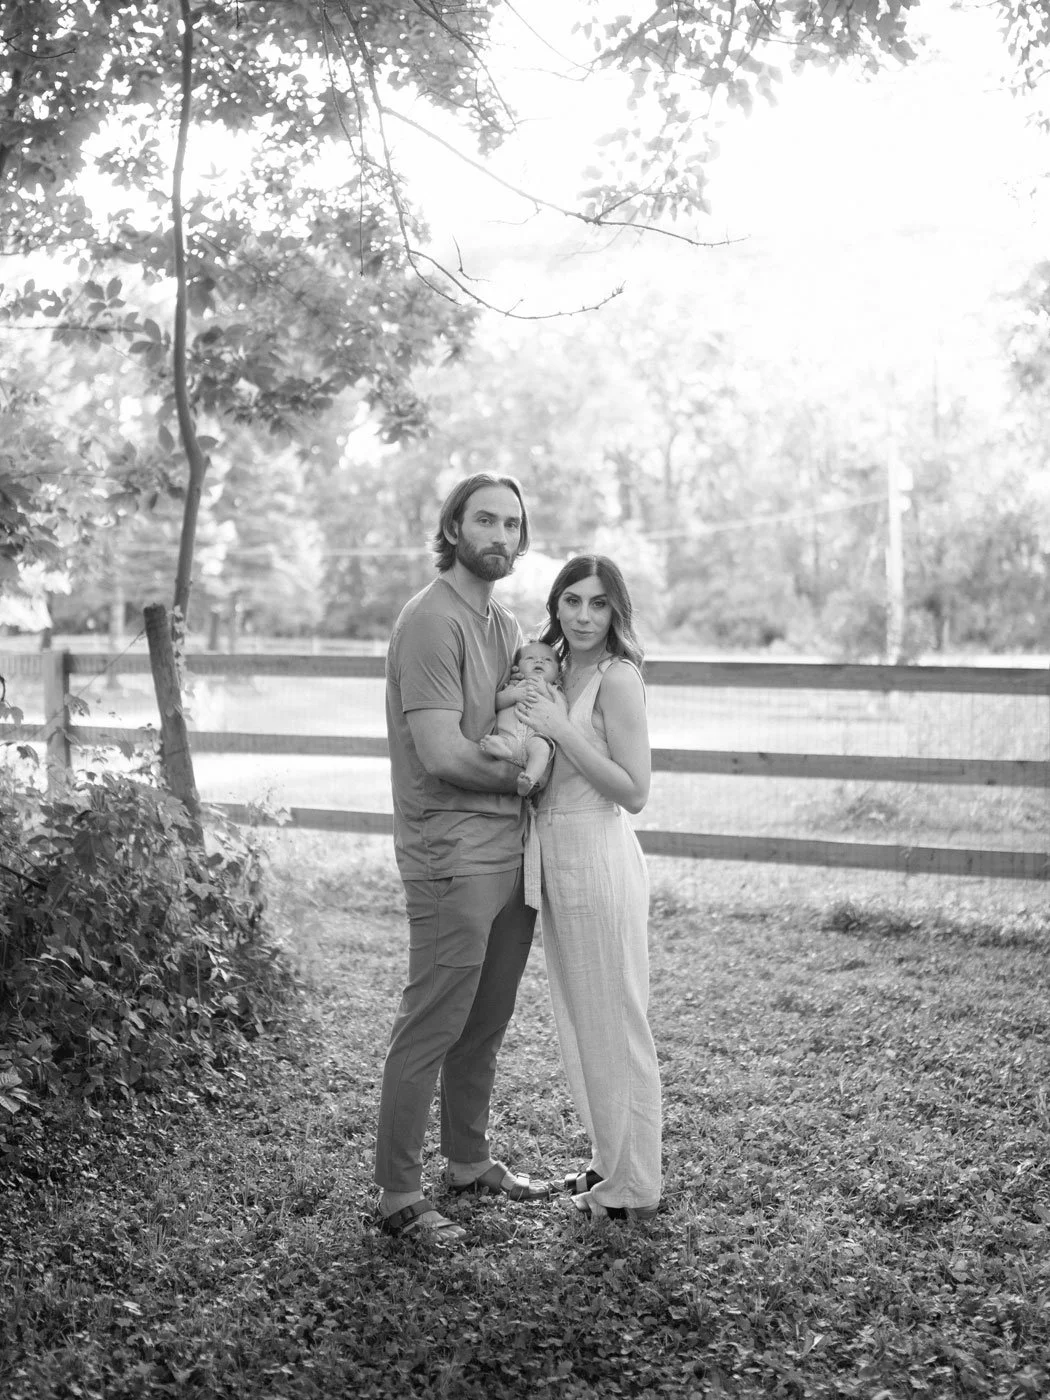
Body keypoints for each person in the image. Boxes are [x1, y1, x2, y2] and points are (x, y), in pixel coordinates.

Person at [375, 473, 554, 1245]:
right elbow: (445, 753)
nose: (501, 537)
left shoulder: (504, 624)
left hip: (511, 850)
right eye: (486, 520)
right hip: (449, 851)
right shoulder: (431, 621)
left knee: (486, 1021)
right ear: (453, 526)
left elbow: (531, 710)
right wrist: (522, 774)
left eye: (513, 525)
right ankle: (396, 1196)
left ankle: (469, 1161)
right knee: (433, 1024)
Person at [519, 555, 662, 1222]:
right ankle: (610, 1163)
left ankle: (635, 1186)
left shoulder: (618, 678)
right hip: (554, 851)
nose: (581, 616)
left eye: (597, 604)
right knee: (582, 1022)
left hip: (598, 854)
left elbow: (633, 791)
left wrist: (560, 731)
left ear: (615, 611)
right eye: (571, 601)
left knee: (617, 1020)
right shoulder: (549, 666)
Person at [479, 639, 561, 797]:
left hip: (534, 739)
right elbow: (495, 703)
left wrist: (545, 693)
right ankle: (503, 752)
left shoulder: (555, 692)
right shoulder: (512, 686)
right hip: (508, 737)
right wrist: (513, 695)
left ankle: (529, 779)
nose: (539, 660)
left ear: (559, 672)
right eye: (530, 658)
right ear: (516, 667)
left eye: (547, 660)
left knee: (542, 749)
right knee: (496, 740)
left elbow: (561, 714)